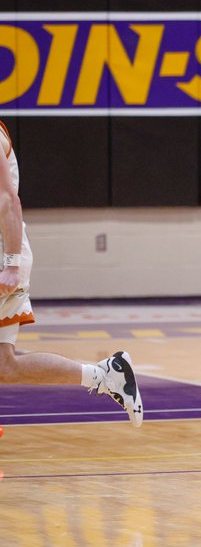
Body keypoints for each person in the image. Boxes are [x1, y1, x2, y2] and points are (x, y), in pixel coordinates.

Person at [0, 121, 143, 426]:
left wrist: (11, 264)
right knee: (5, 366)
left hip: (4, 255)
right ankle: (106, 375)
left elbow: (8, 200)